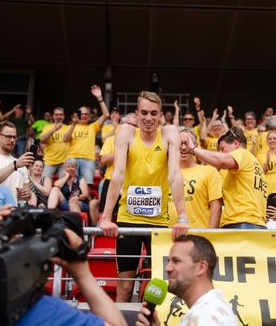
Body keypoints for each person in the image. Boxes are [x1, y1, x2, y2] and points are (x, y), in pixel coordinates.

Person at [99, 91, 189, 302]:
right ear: (137, 114)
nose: (149, 118)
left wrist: (183, 215)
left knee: (159, 284)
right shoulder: (126, 133)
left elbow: (175, 174)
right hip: (128, 218)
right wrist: (105, 216)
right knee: (125, 285)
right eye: (145, 113)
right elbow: (118, 174)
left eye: (154, 113)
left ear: (161, 116)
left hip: (158, 220)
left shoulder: (169, 133)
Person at [135, 235, 237, 326]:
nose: (167, 268)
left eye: (176, 261)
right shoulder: (209, 309)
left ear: (201, 268)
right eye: (169, 261)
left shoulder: (205, 316)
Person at [185, 126, 267, 229]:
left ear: (236, 144)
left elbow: (222, 161)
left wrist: (193, 149)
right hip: (255, 224)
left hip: (242, 223)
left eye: (222, 149)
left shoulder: (242, 153)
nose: (220, 153)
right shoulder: (255, 166)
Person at [168, 129, 222, 228]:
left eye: (187, 143)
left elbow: (216, 207)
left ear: (195, 146)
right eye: (180, 143)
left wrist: (211, 235)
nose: (183, 147)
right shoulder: (166, 174)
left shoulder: (210, 172)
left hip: (199, 235)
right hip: (167, 235)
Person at [64, 85, 110, 185]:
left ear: (89, 116)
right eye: (82, 113)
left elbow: (106, 115)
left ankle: (84, 201)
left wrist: (100, 98)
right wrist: (74, 124)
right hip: (72, 159)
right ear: (77, 114)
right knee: (69, 185)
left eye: (86, 114)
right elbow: (65, 140)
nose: (84, 115)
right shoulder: (71, 126)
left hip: (88, 160)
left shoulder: (92, 127)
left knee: (87, 185)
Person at [0, 121, 35, 202]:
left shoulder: (21, 163)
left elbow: (26, 196)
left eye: (14, 137)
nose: (12, 140)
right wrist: (15, 165)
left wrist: (27, 194)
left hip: (14, 211)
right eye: (8, 136)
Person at [47, 158, 99, 224]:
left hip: (80, 203)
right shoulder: (62, 180)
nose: (70, 168)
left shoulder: (80, 180)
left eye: (72, 167)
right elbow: (56, 186)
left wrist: (77, 197)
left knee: (73, 204)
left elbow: (85, 194)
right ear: (64, 169)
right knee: (55, 190)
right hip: (66, 203)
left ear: (76, 169)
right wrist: (66, 177)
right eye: (68, 166)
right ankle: (50, 212)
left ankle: (78, 227)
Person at [39, 107, 71, 178]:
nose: (58, 116)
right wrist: (55, 129)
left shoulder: (68, 127)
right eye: (56, 114)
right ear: (53, 116)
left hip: (64, 161)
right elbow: (42, 139)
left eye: (60, 114)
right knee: (45, 183)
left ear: (63, 116)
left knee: (64, 185)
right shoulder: (47, 127)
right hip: (49, 160)